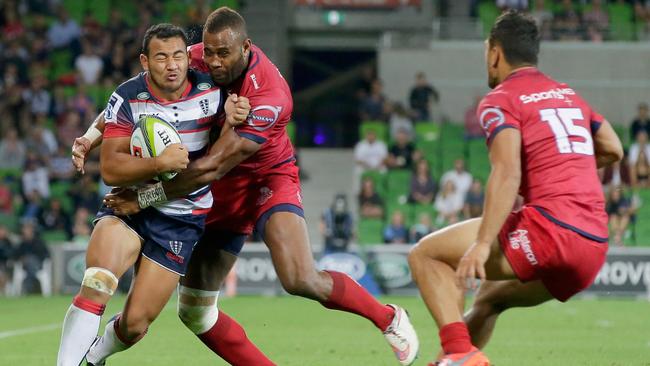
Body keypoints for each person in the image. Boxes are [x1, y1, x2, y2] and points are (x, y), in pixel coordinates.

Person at [101, 7, 418, 365]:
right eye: (209, 52)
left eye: (224, 53)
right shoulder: (194, 58)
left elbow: (213, 166)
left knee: (299, 277)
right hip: (213, 187)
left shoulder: (270, 94)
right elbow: (136, 93)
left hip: (265, 178)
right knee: (195, 312)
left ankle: (389, 318)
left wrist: (144, 197)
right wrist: (89, 136)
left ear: (246, 48)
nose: (214, 62)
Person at [407, 11, 622, 365]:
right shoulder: (568, 95)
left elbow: (506, 174)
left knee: (425, 256)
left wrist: (481, 244)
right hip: (593, 245)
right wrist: (563, 164)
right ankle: (451, 360)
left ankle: (460, 354)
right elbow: (614, 148)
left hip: (552, 231)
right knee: (490, 299)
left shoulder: (501, 99)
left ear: (494, 52)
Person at [56, 23, 249, 366]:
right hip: (130, 206)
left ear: (189, 58)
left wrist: (236, 117)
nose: (172, 65)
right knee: (98, 280)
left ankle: (95, 357)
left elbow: (229, 142)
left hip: (181, 218)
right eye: (161, 57)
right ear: (145, 61)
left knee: (134, 325)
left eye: (178, 56)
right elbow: (112, 170)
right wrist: (158, 161)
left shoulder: (214, 91)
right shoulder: (129, 95)